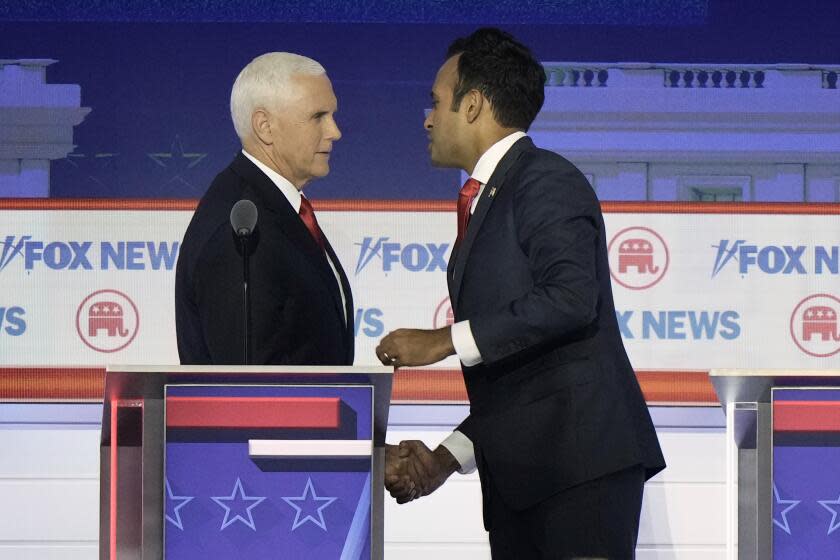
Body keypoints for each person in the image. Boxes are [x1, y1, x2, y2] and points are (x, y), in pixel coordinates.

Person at [377, 28, 665, 558]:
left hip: (578, 473)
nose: (426, 118)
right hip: (529, 480)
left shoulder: (545, 179)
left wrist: (443, 340)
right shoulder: (493, 196)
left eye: (436, 102)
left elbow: (571, 299)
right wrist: (446, 458)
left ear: (474, 105)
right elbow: (521, 376)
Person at [175, 52, 353, 366]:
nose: (334, 131)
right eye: (318, 116)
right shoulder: (240, 228)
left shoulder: (272, 205)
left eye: (333, 115)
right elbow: (248, 387)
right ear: (265, 126)